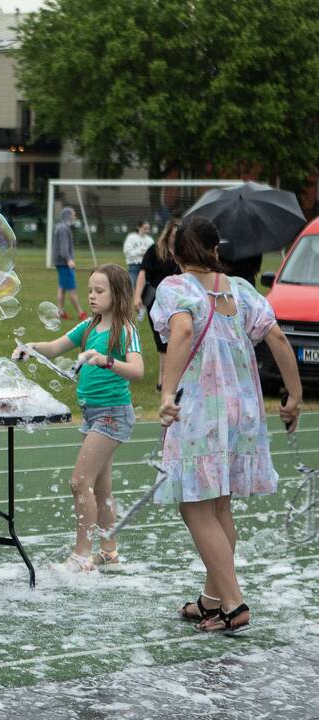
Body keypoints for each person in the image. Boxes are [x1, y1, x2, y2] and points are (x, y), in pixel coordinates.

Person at [152, 214, 301, 633]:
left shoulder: (174, 288)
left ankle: (234, 604)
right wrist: (294, 394)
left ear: (177, 253)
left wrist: (167, 393)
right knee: (219, 506)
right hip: (244, 411)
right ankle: (211, 601)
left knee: (194, 506)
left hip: (201, 411)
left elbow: (180, 332)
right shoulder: (242, 289)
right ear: (216, 250)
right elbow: (278, 339)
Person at [13, 264, 143, 572]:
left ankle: (81, 554)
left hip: (113, 415)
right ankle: (109, 552)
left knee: (79, 481)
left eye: (100, 291)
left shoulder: (124, 331)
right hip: (93, 414)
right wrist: (30, 348)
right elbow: (55, 347)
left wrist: (107, 361)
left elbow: (137, 371)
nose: (92, 297)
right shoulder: (87, 327)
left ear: (118, 294)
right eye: (90, 291)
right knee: (101, 488)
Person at [133, 219, 182, 391]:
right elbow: (143, 273)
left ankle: (173, 377)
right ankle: (162, 378)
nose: (176, 239)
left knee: (176, 338)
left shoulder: (184, 253)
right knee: (160, 340)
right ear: (168, 234)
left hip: (178, 300)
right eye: (174, 235)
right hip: (155, 299)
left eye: (179, 236)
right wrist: (137, 296)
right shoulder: (154, 250)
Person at [52, 207, 86, 321]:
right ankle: (81, 313)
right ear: (67, 215)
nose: (74, 217)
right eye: (73, 215)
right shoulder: (63, 228)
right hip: (64, 263)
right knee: (72, 289)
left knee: (62, 288)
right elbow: (63, 247)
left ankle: (60, 312)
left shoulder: (62, 227)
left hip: (60, 262)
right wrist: (69, 260)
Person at [123, 220, 154, 288]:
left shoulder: (150, 240)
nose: (147, 230)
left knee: (146, 287)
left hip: (146, 266)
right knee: (132, 286)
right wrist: (140, 252)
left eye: (148, 229)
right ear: (139, 227)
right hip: (134, 265)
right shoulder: (131, 238)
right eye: (145, 228)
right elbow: (127, 252)